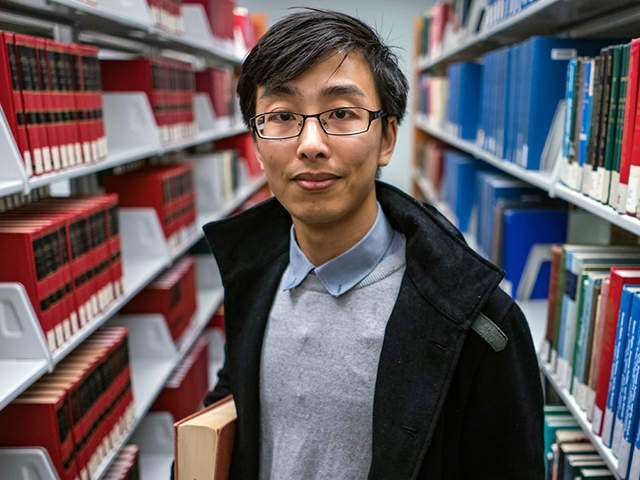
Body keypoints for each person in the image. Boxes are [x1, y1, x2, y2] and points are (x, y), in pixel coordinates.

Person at [202, 8, 544, 479]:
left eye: (341, 113)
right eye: (281, 116)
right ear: (257, 146)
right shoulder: (252, 276)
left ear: (387, 138)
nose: (311, 143)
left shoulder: (481, 324)